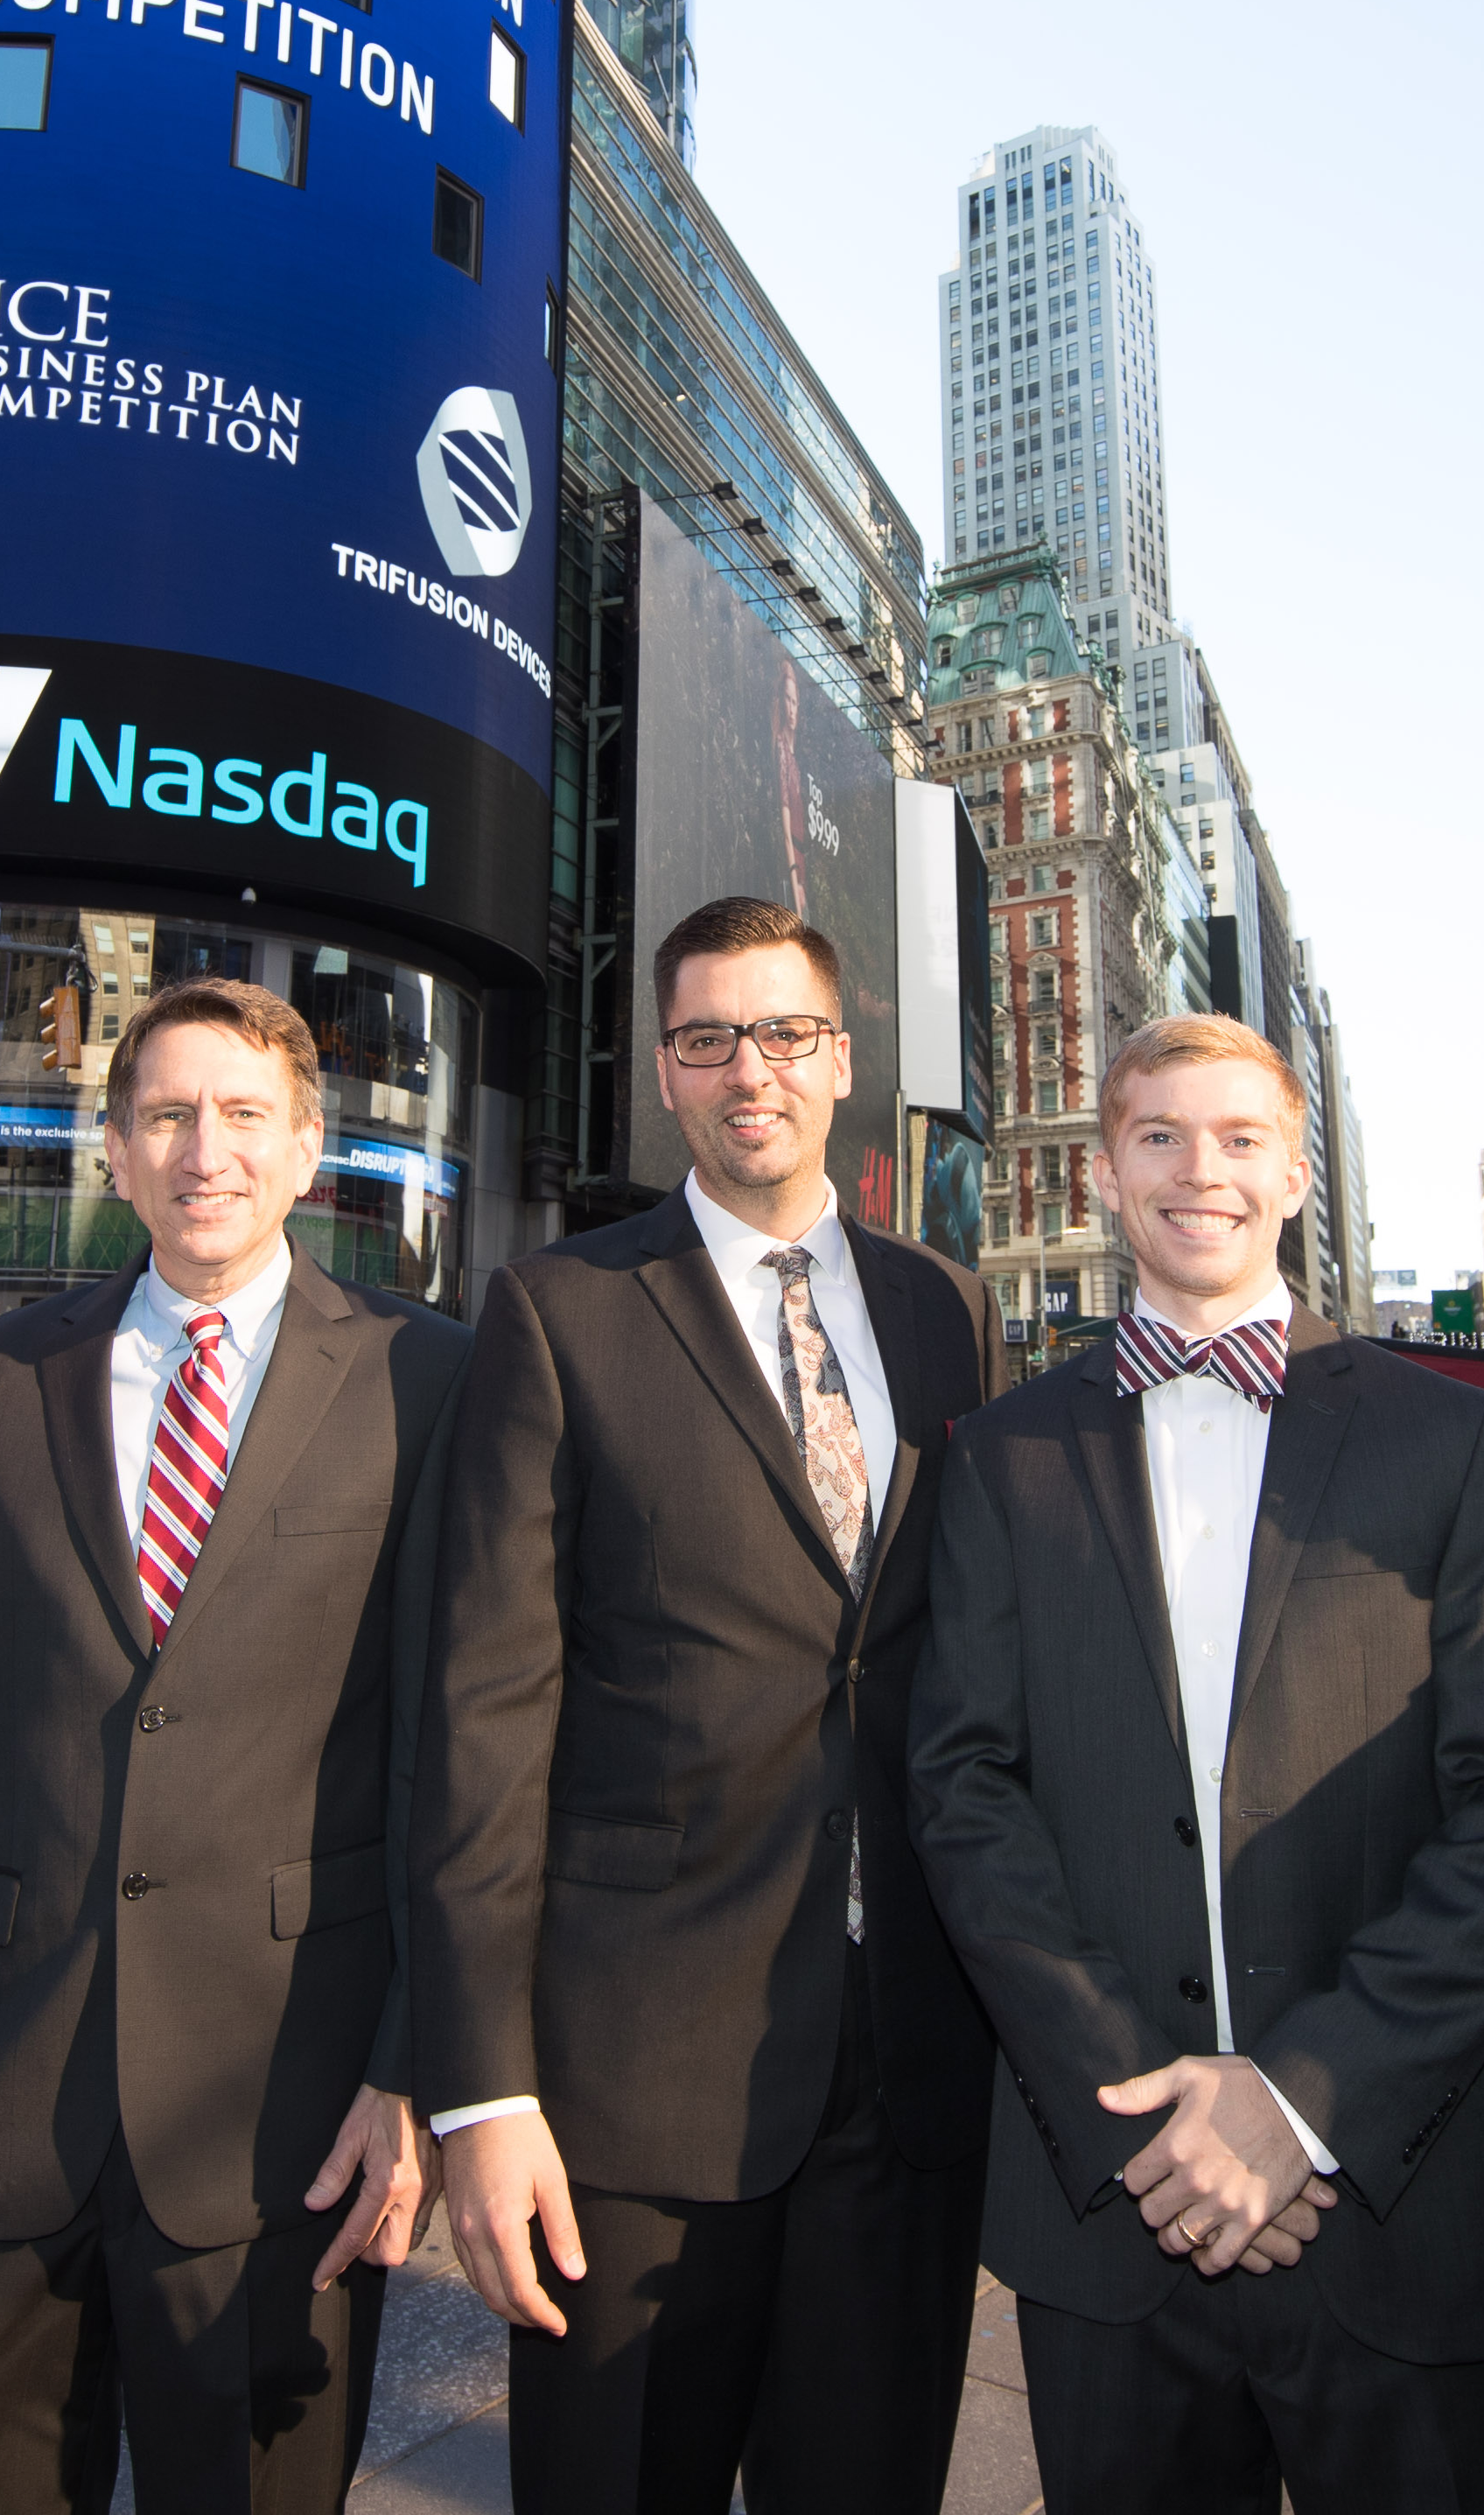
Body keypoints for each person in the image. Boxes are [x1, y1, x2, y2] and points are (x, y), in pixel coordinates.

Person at [0, 979, 475, 2511]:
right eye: (165, 1113)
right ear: (111, 1147)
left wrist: (410, 2071)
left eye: (243, 1115)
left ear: (310, 1148)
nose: (203, 1149)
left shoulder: (428, 1380)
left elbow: (453, 1750)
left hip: (281, 2107)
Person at [913, 1015, 1484, 2511]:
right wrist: (1146, 2113)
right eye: (1157, 1134)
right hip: (1117, 2216)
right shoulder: (1001, 1451)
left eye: (1235, 1138)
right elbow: (963, 1790)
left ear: (1293, 1171)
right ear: (1101, 1172)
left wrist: (1297, 2104)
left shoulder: (1446, 1438)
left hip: (1405, 2205)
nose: (1195, 1169)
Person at [417, 896, 1004, 2515]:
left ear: (842, 1058)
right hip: (629, 2075)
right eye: (706, 1038)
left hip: (904, 2065)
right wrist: (483, 2086)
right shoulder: (558, 1307)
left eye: (784, 1033)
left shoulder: (947, 1311)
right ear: (663, 1074)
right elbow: (484, 1704)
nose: (750, 1068)